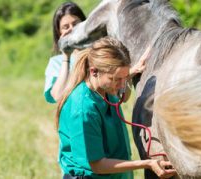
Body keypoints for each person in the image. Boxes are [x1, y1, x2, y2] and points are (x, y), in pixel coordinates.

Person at [56, 37, 176, 179]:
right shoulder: (82, 110)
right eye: (117, 79)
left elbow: (121, 92)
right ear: (94, 72)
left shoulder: (105, 88)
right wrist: (147, 164)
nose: (122, 85)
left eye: (125, 78)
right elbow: (97, 165)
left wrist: (131, 72)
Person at [44, 2, 86, 103]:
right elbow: (58, 96)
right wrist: (66, 57)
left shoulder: (99, 53)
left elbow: (123, 96)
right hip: (75, 117)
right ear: (59, 33)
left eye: (76, 24)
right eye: (66, 27)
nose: (72, 28)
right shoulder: (56, 63)